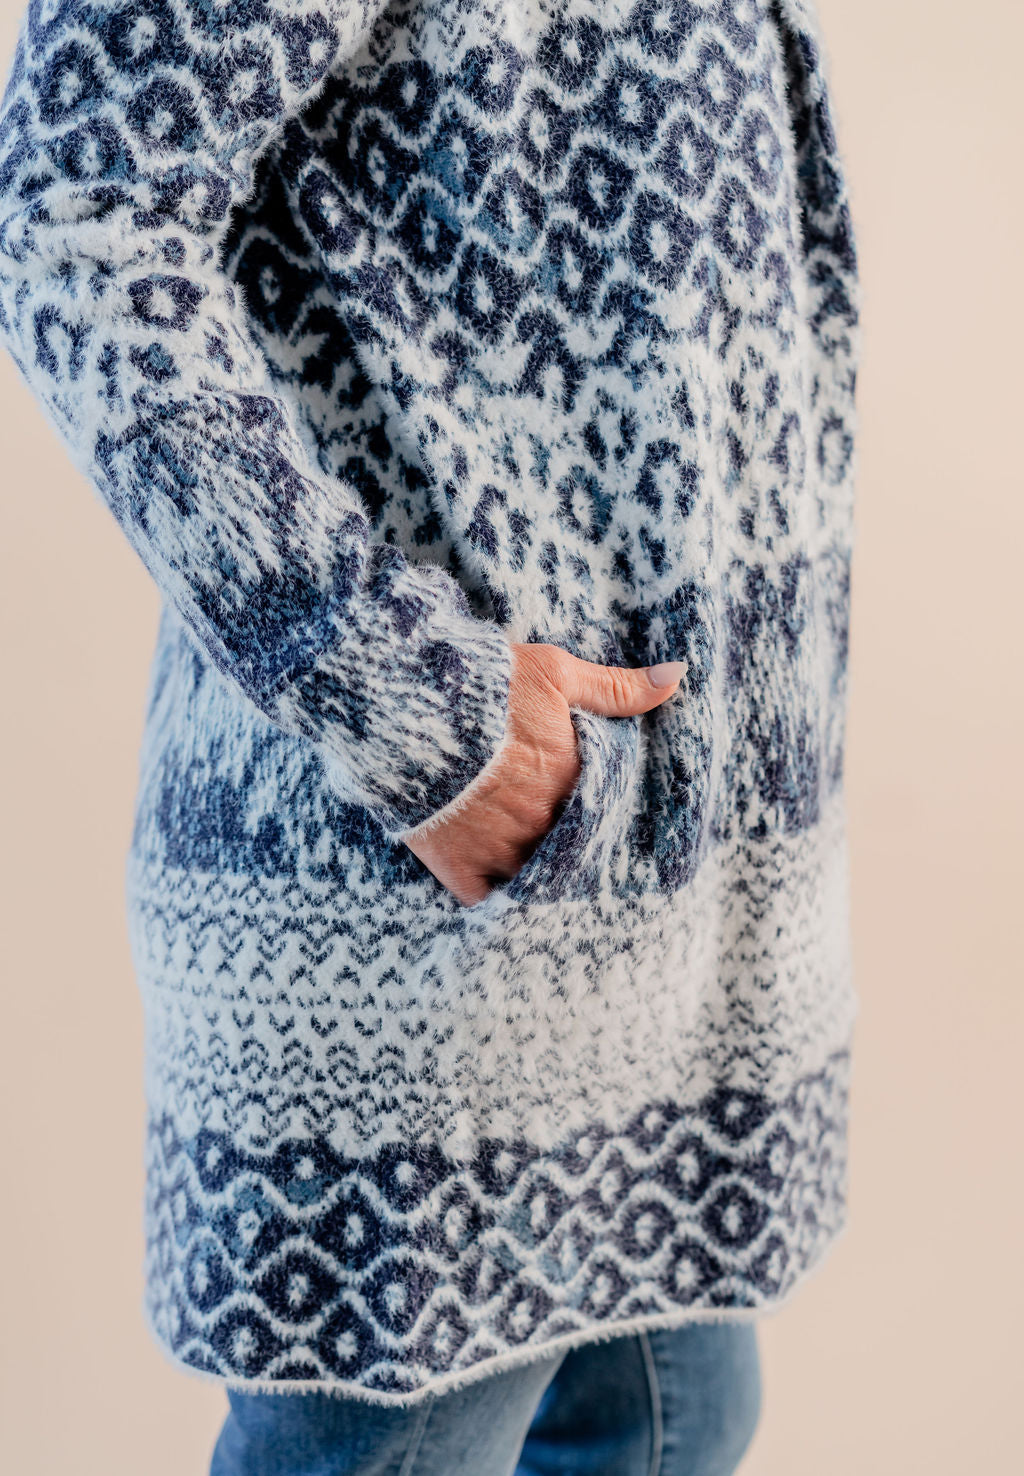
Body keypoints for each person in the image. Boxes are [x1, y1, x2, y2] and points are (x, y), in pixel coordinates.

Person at [0, 0, 859, 1470]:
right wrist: (415, 715)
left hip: (669, 897)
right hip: (434, 916)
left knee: (680, 1420)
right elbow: (77, 214)